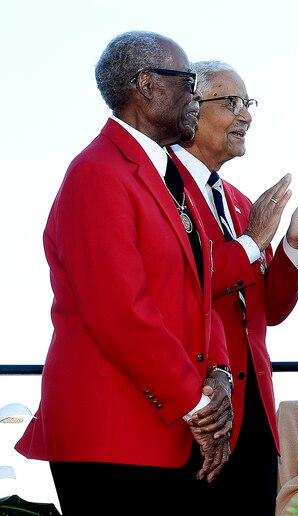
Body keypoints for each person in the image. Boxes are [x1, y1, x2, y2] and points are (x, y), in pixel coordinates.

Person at [15, 31, 233, 515]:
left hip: (170, 428)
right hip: (113, 432)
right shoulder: (96, 172)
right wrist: (197, 406)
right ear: (146, 85)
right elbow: (117, 313)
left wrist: (220, 375)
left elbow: (202, 293)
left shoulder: (170, 175)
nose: (197, 94)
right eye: (188, 80)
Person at [169, 60, 298, 514]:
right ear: (190, 106)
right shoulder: (161, 186)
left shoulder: (242, 202)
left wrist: (293, 242)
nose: (246, 115)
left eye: (248, 103)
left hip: (255, 416)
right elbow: (180, 288)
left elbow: (270, 309)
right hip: (200, 410)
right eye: (231, 102)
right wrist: (252, 241)